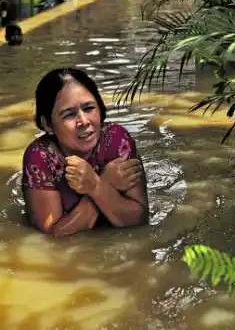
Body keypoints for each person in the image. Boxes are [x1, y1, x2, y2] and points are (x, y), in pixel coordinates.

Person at [21, 68, 149, 237]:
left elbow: (140, 221)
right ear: (47, 125)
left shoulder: (117, 141)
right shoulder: (40, 157)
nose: (84, 121)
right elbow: (54, 240)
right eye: (69, 115)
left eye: (89, 108)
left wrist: (97, 186)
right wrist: (99, 184)